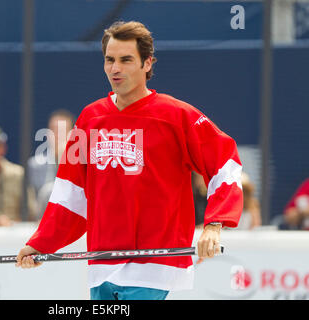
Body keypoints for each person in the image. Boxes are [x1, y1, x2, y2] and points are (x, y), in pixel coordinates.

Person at [16, 21, 243, 300]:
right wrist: (41, 244)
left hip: (154, 267)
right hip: (101, 266)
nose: (115, 68)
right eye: (109, 60)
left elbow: (225, 162)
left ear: (147, 64)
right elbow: (70, 193)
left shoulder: (177, 116)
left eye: (126, 60)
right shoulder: (89, 118)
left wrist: (214, 224)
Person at [28, 109, 76, 219]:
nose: (58, 135)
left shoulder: (83, 165)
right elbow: (31, 206)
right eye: (54, 130)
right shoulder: (34, 165)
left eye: (63, 130)